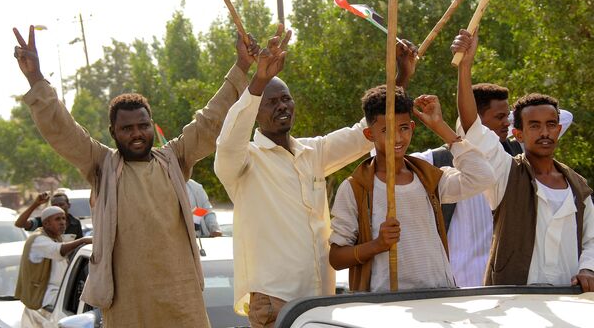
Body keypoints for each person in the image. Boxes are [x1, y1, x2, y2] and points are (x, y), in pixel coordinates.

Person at [12, 24, 259, 327]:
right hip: (128, 308)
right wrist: (36, 79)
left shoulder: (174, 159)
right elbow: (63, 130)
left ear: (151, 125)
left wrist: (242, 65)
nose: (137, 134)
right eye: (127, 129)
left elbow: (211, 120)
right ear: (113, 132)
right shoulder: (102, 165)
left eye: (142, 125)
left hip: (182, 303)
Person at [214, 31, 421, 327]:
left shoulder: (312, 152)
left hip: (319, 304)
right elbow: (228, 139)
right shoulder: (243, 161)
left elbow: (366, 132)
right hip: (275, 305)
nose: (282, 106)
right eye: (271, 102)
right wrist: (258, 80)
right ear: (255, 112)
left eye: (286, 99)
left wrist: (401, 78)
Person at [454, 29, 594, 290]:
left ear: (558, 130)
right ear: (517, 133)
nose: (544, 133)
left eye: (551, 125)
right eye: (535, 126)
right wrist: (465, 67)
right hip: (515, 303)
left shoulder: (578, 185)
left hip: (570, 301)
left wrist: (588, 268)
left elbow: (592, 239)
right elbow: (471, 125)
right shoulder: (505, 173)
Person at [328, 84, 495, 292]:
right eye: (386, 130)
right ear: (370, 134)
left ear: (413, 128)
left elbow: (482, 177)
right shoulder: (357, 188)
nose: (398, 138)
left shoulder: (429, 179)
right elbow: (336, 258)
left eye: (404, 128)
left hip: (439, 296)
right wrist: (377, 244)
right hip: (388, 305)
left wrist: (440, 127)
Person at [15, 206, 91, 327]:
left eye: (63, 219)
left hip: (57, 297)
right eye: (57, 219)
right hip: (47, 300)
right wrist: (83, 241)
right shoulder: (38, 240)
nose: (62, 222)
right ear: (46, 223)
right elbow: (59, 250)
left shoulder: (54, 238)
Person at [15, 191, 84, 239]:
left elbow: (80, 246)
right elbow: (19, 224)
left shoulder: (75, 223)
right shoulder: (44, 221)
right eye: (55, 205)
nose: (58, 207)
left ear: (68, 205)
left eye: (61, 204)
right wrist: (36, 204)